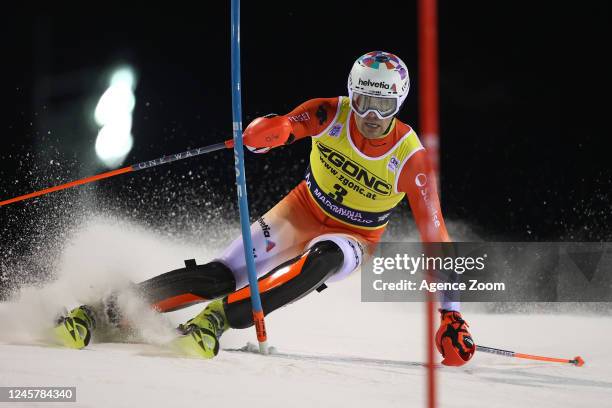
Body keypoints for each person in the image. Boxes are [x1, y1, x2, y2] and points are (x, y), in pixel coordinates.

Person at [54, 51, 475, 366]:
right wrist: (264, 134)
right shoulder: (331, 113)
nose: (369, 115)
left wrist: (451, 315)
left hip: (355, 236)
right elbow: (288, 126)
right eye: (363, 100)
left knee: (322, 260)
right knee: (222, 273)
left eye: (383, 107)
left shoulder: (411, 159)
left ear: (398, 105)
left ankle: (215, 320)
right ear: (352, 93)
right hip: (301, 210)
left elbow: (436, 239)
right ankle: (105, 312)